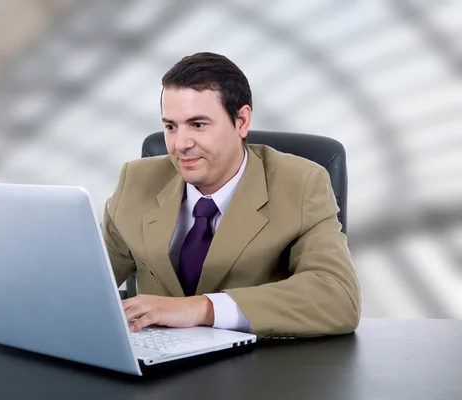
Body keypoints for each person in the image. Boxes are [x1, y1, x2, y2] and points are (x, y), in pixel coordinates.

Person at [102, 52, 360, 339]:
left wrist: (202, 308)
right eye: (171, 127)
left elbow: (338, 296)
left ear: (241, 121)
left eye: (198, 125)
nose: (181, 144)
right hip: (154, 369)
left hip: (257, 371)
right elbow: (85, 281)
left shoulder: (300, 184)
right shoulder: (136, 181)